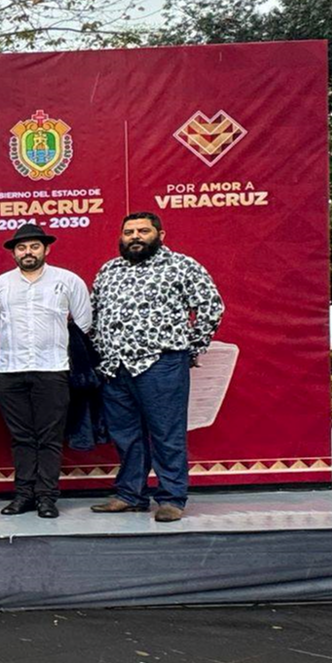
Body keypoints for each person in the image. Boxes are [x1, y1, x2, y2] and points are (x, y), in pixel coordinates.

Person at [88, 212, 224, 522]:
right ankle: (130, 495)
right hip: (115, 368)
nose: (135, 236)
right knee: (126, 435)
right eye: (129, 232)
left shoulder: (181, 265)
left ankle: (171, 497)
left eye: (143, 231)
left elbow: (211, 306)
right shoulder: (109, 270)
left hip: (160, 363)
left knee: (167, 433)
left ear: (160, 235)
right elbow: (95, 315)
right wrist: (102, 351)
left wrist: (191, 348)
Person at [0, 223, 93, 519]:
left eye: (34, 246)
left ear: (47, 249)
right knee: (21, 437)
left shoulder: (68, 281)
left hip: (53, 369)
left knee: (49, 437)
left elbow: (82, 323)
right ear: (13, 253)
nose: (27, 252)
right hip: (10, 370)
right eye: (21, 247)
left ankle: (46, 497)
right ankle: (23, 496)